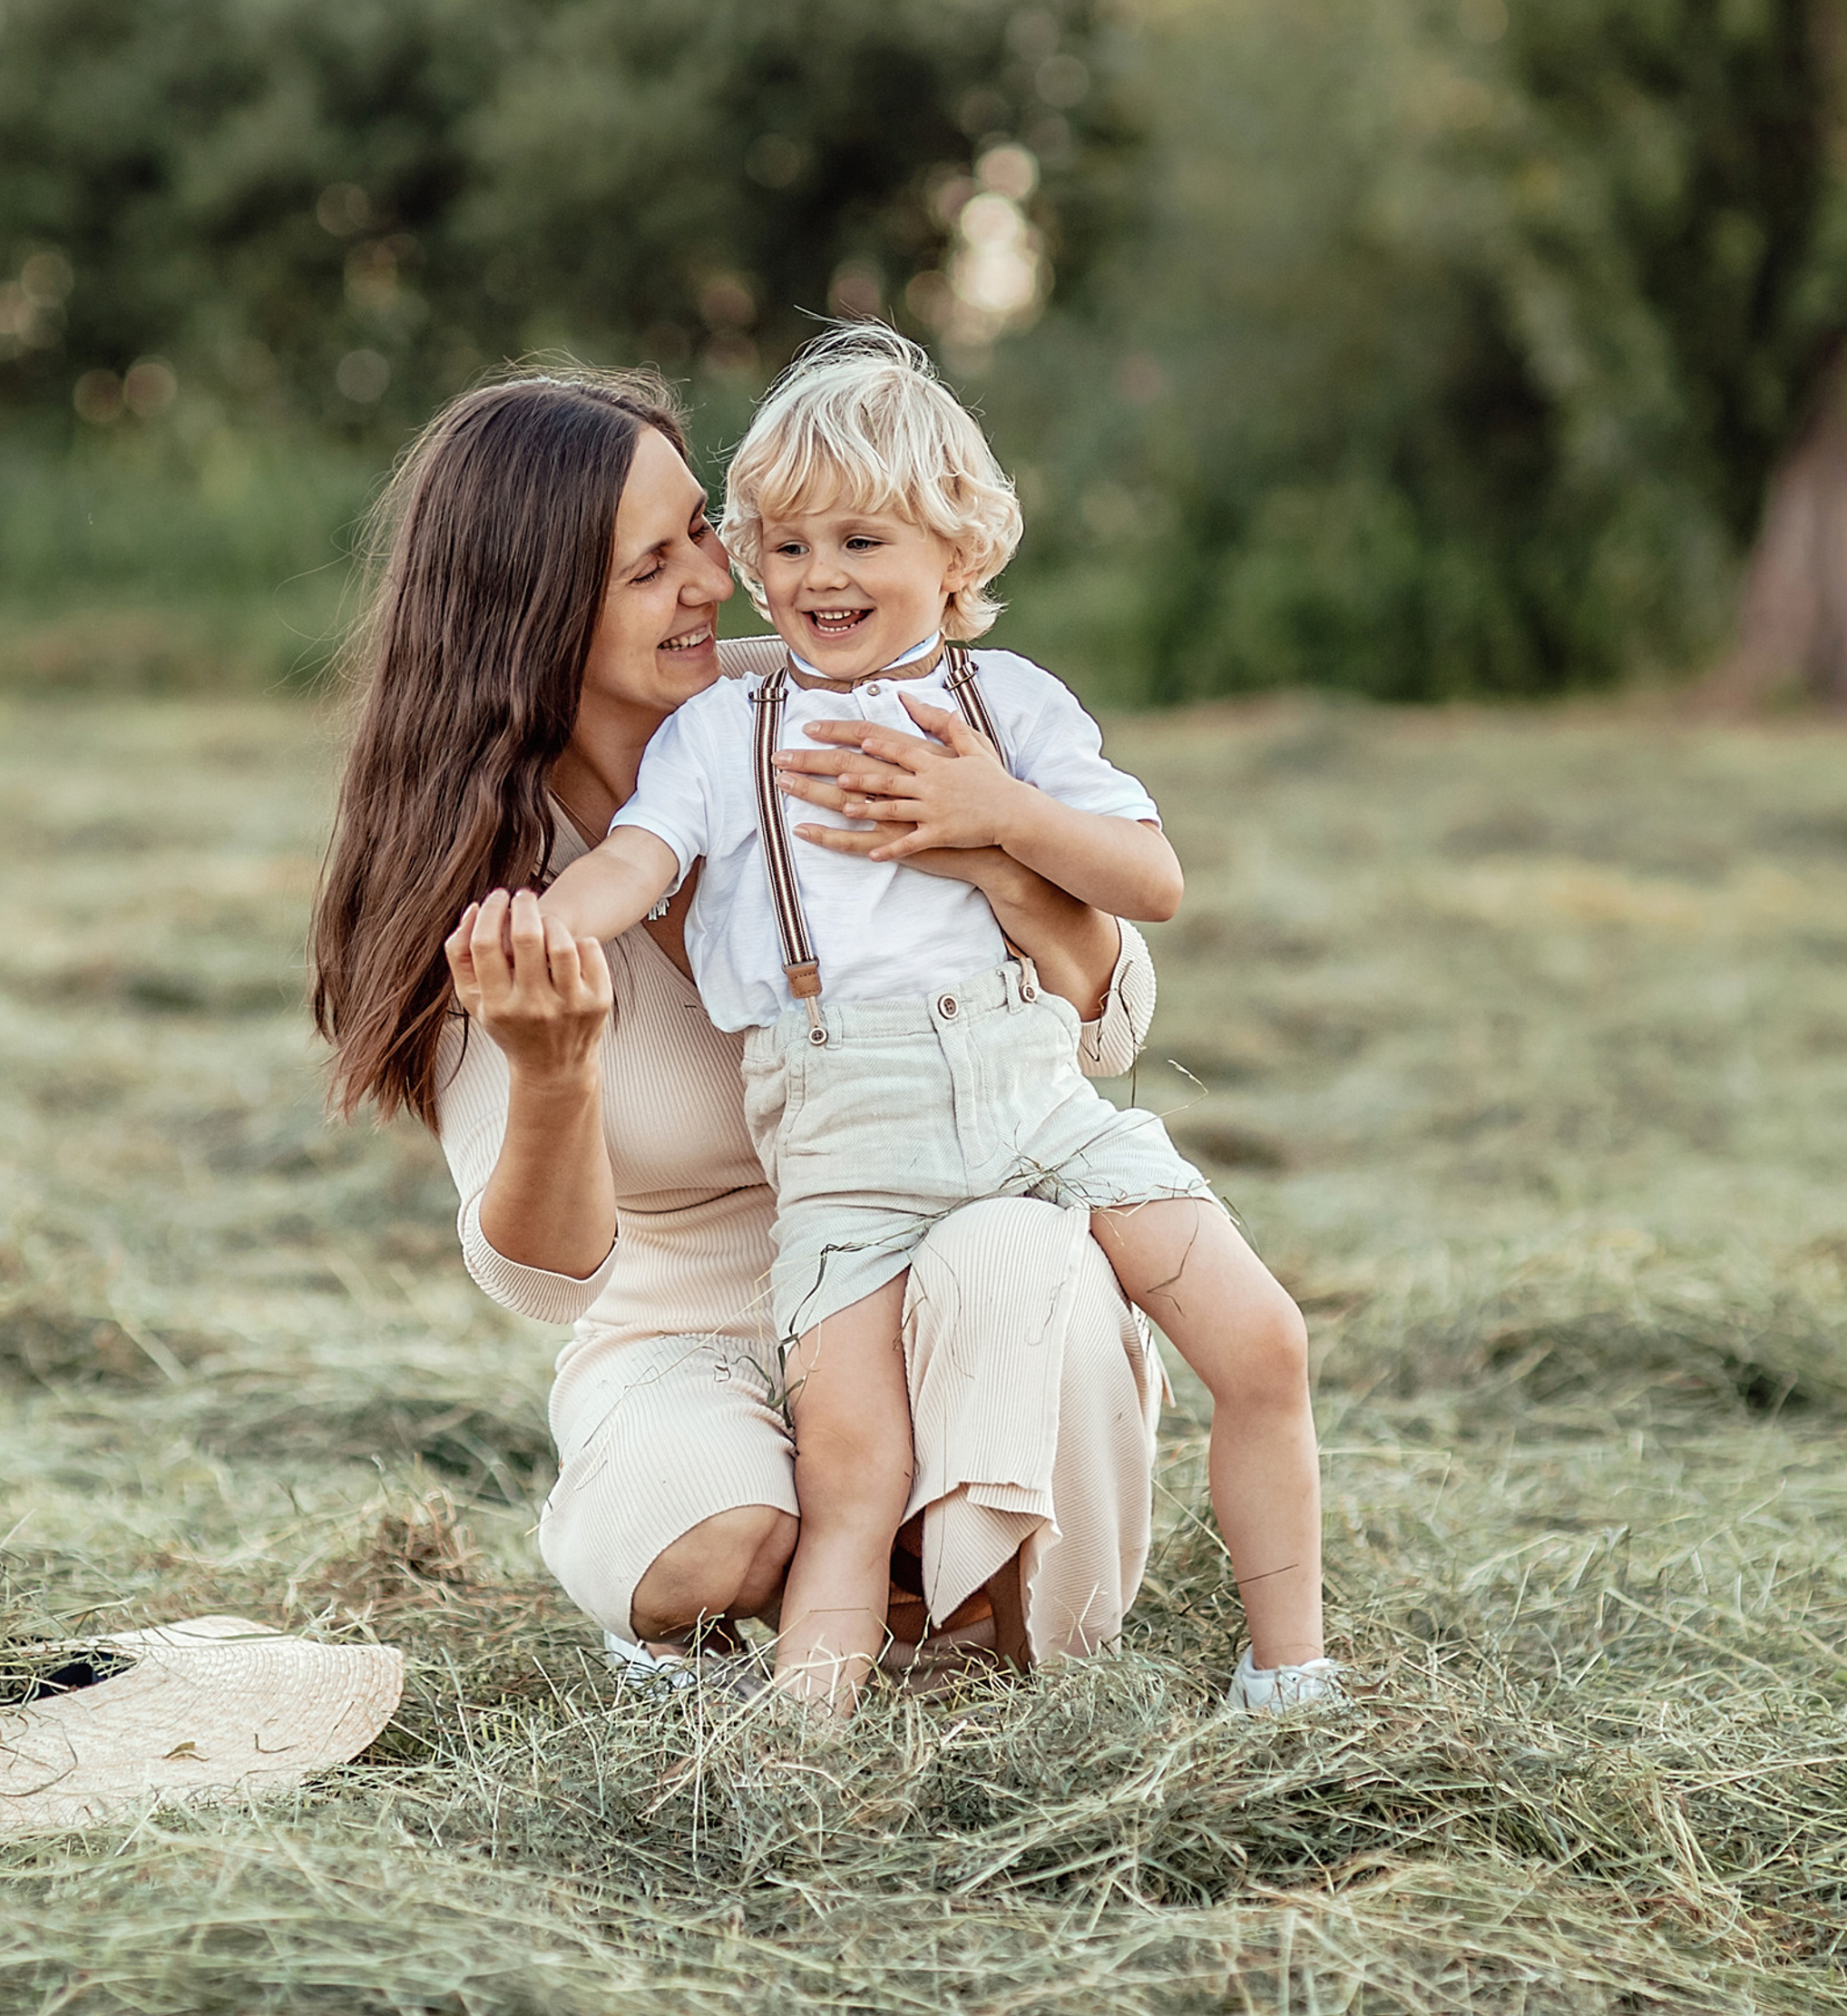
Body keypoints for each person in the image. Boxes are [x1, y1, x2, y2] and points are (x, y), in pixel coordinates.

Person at [308, 365, 1231, 1703]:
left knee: (1022, 1249)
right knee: (720, 1535)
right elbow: (541, 1281)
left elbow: (1114, 1021)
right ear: (534, 606)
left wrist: (995, 858)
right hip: (698, 1331)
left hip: (937, 1261)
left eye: (703, 530)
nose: (717, 580)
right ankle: (809, 1588)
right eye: (651, 566)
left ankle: (995, 1638)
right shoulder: (489, 889)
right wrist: (555, 1074)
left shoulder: (817, 699)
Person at [534, 328, 1336, 1717]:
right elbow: (641, 857)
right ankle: (798, 1763)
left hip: (1035, 1105)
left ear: (956, 555)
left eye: (861, 539)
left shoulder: (1011, 710)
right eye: (782, 547)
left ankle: (1293, 1673)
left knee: (1264, 1344)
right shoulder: (725, 729)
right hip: (851, 1148)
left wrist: (996, 817)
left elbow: (1151, 879)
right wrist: (553, 920)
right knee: (856, 1476)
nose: (818, 577)